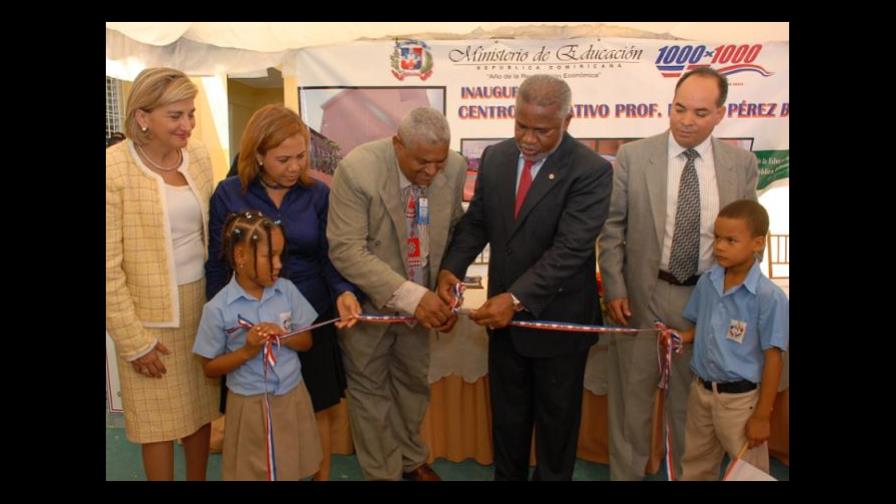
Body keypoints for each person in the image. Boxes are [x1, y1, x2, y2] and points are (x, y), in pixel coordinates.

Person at [436, 74, 613, 481]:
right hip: (505, 328)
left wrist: (514, 299)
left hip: (559, 323)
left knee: (555, 431)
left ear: (569, 120)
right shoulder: (496, 158)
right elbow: (478, 221)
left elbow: (570, 250)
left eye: (542, 130)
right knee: (508, 424)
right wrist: (451, 268)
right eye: (521, 125)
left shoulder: (591, 171)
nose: (528, 139)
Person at [597, 67, 760, 480]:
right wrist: (614, 287)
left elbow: (748, 235)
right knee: (631, 406)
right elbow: (612, 229)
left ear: (721, 114)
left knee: (693, 412)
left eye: (701, 113)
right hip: (641, 296)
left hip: (705, 302)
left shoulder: (741, 164)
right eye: (679, 108)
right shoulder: (634, 156)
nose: (687, 120)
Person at [206, 104, 361, 481]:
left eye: (301, 156)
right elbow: (216, 263)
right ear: (257, 154)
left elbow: (330, 256)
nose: (295, 167)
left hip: (310, 317)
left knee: (319, 407)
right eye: (283, 159)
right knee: (257, 410)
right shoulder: (228, 195)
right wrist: (221, 319)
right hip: (250, 321)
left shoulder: (318, 195)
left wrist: (342, 291)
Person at [326, 107, 467, 481]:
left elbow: (454, 229)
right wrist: (411, 297)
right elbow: (345, 249)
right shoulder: (358, 170)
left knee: (412, 386)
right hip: (369, 303)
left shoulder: (453, 167)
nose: (432, 172)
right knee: (370, 394)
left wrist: (447, 281)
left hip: (422, 303)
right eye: (422, 162)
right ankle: (383, 472)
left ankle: (411, 460)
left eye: (439, 162)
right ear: (397, 144)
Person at [105, 67, 219, 480]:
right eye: (176, 116)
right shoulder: (113, 169)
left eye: (190, 114)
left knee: (200, 413)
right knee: (156, 425)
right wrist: (135, 342)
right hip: (148, 319)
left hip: (201, 308)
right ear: (142, 117)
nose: (187, 125)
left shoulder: (201, 157)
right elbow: (107, 271)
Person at [660, 200, 788, 480]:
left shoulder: (769, 298)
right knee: (695, 465)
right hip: (702, 395)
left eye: (731, 240)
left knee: (749, 473)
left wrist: (762, 416)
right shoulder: (708, 282)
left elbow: (774, 359)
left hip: (742, 403)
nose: (719, 246)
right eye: (717, 238)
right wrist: (683, 337)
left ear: (757, 243)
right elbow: (701, 328)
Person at [193, 210, 322, 480]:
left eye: (280, 256)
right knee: (253, 469)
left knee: (291, 465)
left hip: (291, 396)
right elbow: (210, 367)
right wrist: (247, 351)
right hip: (248, 404)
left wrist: (283, 335)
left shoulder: (286, 290)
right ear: (240, 256)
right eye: (269, 256)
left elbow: (307, 341)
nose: (277, 265)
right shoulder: (218, 309)